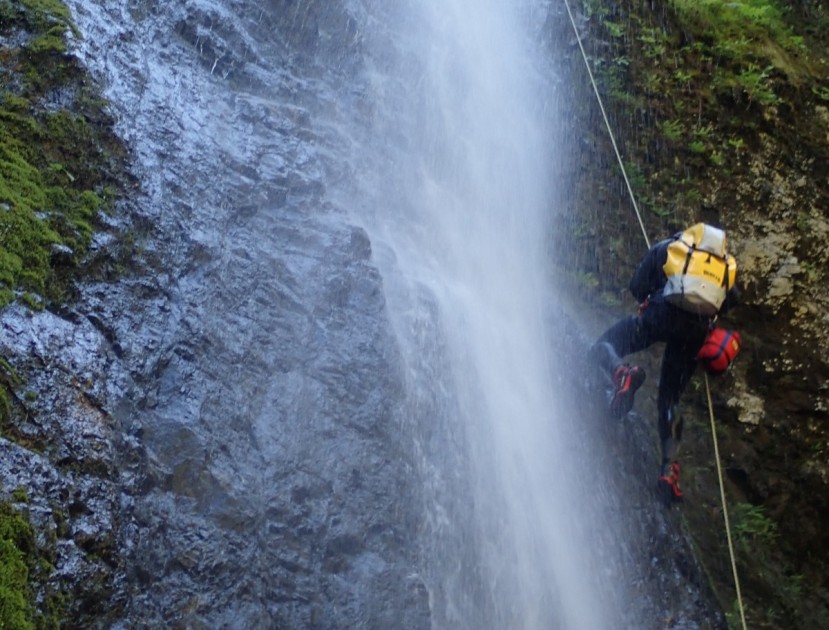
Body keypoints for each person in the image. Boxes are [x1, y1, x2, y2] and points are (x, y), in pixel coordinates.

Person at [590, 223, 739, 506]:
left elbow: (637, 286)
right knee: (670, 398)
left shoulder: (672, 247)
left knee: (604, 344)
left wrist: (653, 295)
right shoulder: (724, 268)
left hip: (660, 315)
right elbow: (731, 301)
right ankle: (669, 470)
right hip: (695, 333)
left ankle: (622, 374)